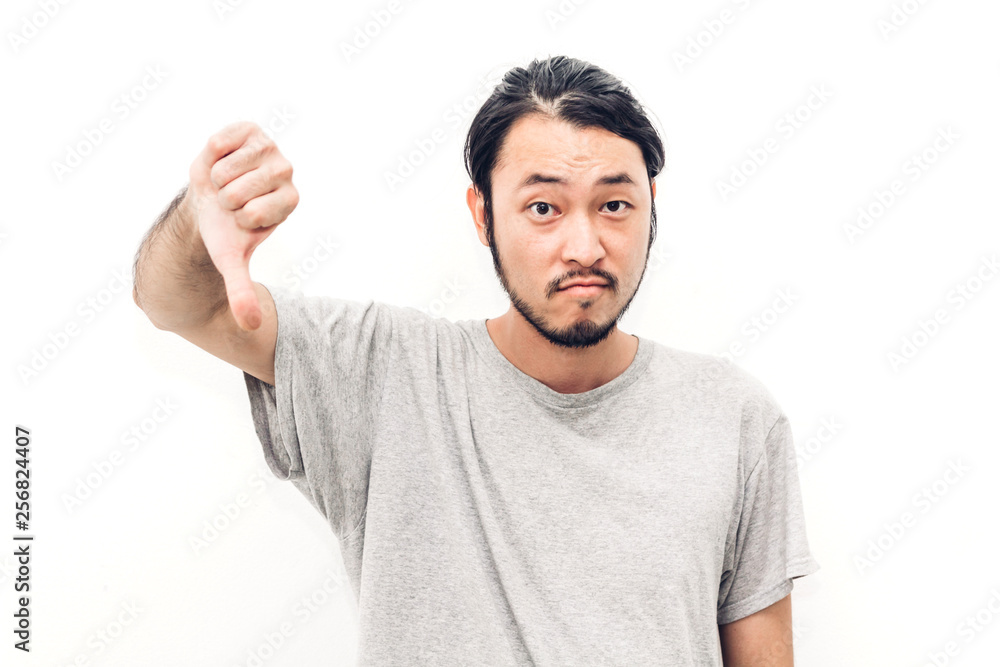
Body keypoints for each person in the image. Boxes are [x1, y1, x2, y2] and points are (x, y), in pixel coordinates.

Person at [132, 55, 819, 666]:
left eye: (614, 204)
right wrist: (199, 217)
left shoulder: (733, 419)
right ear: (484, 214)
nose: (584, 244)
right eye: (543, 207)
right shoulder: (385, 375)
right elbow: (176, 304)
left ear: (650, 209)